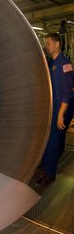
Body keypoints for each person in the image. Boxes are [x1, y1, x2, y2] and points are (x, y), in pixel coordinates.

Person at [35, 33, 74, 187]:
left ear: (57, 44)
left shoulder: (64, 64)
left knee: (53, 141)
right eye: (46, 43)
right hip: (54, 106)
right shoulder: (53, 63)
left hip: (61, 107)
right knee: (49, 140)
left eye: (49, 43)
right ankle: (46, 164)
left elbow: (67, 94)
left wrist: (60, 116)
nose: (47, 46)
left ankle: (50, 174)